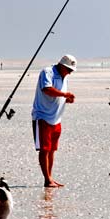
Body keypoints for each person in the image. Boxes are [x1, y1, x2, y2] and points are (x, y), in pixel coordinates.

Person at [32, 54, 76, 188]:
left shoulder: (65, 77)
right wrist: (64, 94)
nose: (70, 73)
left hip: (57, 118)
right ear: (61, 65)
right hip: (43, 116)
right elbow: (47, 89)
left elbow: (59, 94)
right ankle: (47, 179)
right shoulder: (48, 72)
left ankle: (50, 178)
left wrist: (67, 99)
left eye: (71, 71)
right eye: (68, 69)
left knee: (52, 150)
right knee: (44, 150)